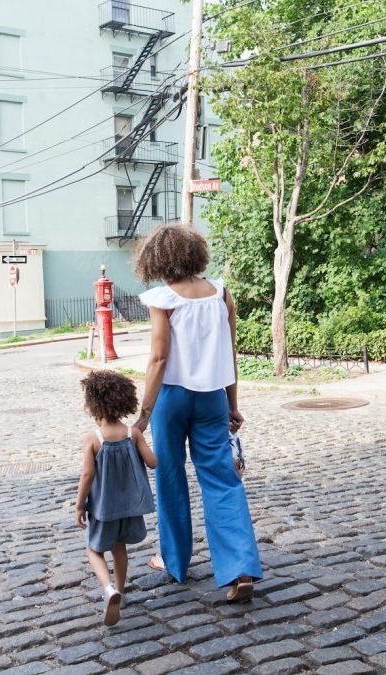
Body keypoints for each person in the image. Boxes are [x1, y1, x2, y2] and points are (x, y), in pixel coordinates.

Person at [133, 224, 262, 603]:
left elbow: (158, 358)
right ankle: (239, 568)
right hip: (212, 399)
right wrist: (233, 403)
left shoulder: (163, 299)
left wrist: (143, 415)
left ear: (157, 260)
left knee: (170, 477)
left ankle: (174, 561)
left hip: (172, 398)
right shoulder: (220, 293)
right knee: (222, 480)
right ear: (195, 255)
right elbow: (229, 352)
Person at [74, 370, 158, 626]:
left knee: (93, 548)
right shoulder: (134, 434)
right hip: (130, 507)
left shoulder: (93, 439)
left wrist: (79, 505)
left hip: (103, 508)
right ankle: (120, 590)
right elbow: (153, 463)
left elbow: (88, 474)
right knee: (119, 547)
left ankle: (109, 589)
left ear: (93, 406)